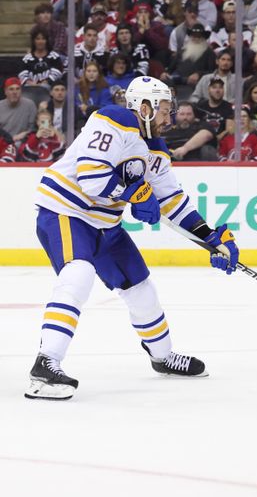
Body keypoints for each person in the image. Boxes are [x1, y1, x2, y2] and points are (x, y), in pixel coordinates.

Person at [26, 76, 240, 400]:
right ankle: (46, 365)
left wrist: (211, 237)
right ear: (145, 107)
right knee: (78, 274)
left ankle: (163, 357)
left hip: (105, 224)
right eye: (165, 110)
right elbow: (91, 176)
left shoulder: (155, 148)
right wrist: (135, 194)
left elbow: (172, 202)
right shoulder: (116, 119)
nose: (169, 118)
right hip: (66, 212)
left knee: (141, 287)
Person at [195, 78, 234, 147]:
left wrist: (215, 139)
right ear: (208, 90)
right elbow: (195, 125)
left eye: (220, 87)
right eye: (214, 87)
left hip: (221, 142)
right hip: (201, 142)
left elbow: (229, 129)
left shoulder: (229, 107)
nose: (217, 90)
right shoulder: (200, 106)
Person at [0, 77, 38, 144]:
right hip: (3, 142)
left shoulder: (30, 105)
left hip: (22, 141)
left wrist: (26, 133)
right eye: (11, 89)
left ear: (21, 91)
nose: (15, 92)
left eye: (17, 89)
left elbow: (34, 129)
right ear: (5, 91)